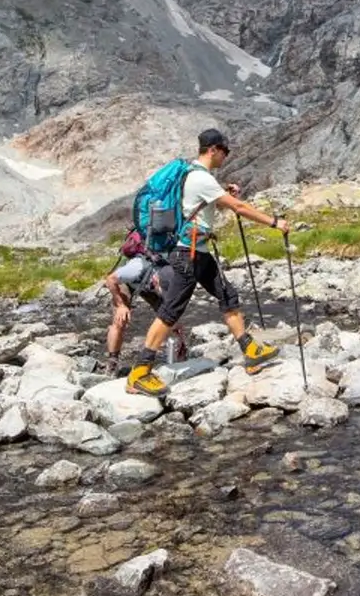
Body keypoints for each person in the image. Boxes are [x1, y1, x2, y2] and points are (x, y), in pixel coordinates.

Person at [125, 129, 289, 398]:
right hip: (187, 255)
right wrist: (274, 222)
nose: (226, 156)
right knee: (170, 312)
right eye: (225, 151)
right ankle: (139, 373)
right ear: (213, 149)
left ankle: (250, 351)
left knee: (227, 295)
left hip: (198, 252)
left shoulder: (196, 176)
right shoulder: (201, 178)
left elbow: (201, 204)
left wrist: (223, 192)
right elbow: (240, 208)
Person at [102, 230, 187, 377]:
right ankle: (112, 362)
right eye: (161, 289)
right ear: (156, 280)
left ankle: (181, 351)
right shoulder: (135, 268)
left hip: (147, 284)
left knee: (171, 317)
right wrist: (121, 305)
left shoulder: (169, 272)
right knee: (120, 321)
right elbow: (110, 280)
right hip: (126, 283)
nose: (161, 292)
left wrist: (178, 329)